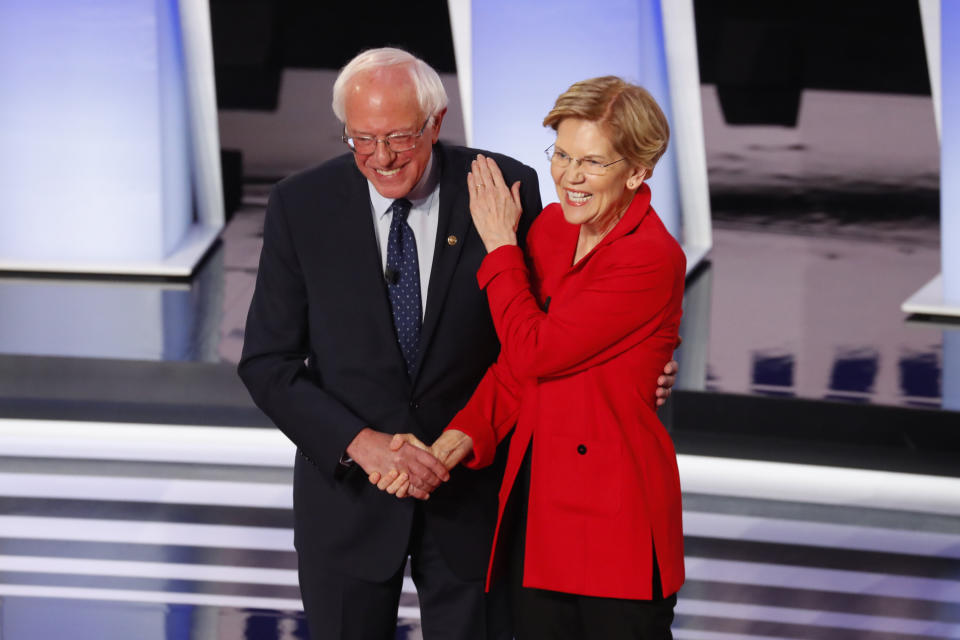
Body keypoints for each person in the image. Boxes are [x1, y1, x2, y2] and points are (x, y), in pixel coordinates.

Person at [239, 46, 678, 640]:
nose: (382, 157)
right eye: (361, 139)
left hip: (481, 506)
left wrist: (636, 358)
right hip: (352, 504)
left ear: (436, 123)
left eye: (398, 136)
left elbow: (534, 337)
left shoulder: (506, 192)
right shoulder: (302, 204)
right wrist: (367, 446)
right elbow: (268, 362)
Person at [383, 76, 686, 639]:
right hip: (539, 512)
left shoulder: (649, 258)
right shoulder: (549, 231)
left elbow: (536, 349)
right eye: (563, 155)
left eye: (593, 163)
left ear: (637, 171)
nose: (570, 178)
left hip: (614, 518)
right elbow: (515, 369)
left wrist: (501, 248)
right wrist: (449, 447)